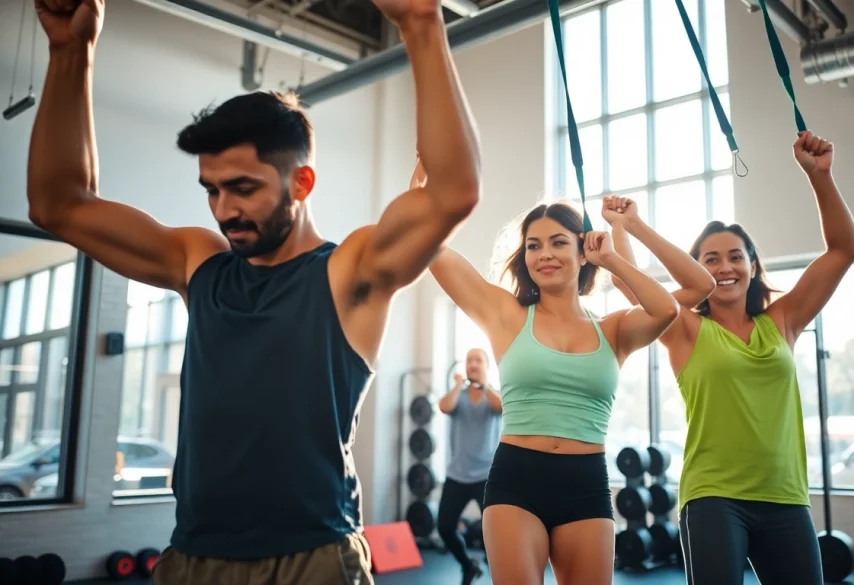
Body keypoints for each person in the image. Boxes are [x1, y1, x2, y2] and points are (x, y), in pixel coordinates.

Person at [28, 0, 481, 583]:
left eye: (242, 188)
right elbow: (59, 204)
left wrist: (420, 22)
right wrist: (70, 52)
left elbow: (453, 193)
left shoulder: (349, 273)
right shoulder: (200, 263)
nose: (224, 210)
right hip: (193, 556)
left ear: (302, 181)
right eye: (212, 190)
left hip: (312, 558)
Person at [611, 131, 854, 585]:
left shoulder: (783, 321)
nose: (723, 268)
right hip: (713, 496)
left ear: (752, 265)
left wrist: (820, 176)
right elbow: (634, 292)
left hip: (785, 495)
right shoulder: (685, 328)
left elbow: (844, 250)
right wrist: (625, 228)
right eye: (709, 260)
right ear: (696, 270)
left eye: (734, 257)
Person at [420, 175, 682, 584]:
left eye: (559, 242)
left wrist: (612, 259)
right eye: (533, 245)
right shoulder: (507, 315)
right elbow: (431, 249)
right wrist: (423, 191)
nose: (545, 254)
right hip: (516, 481)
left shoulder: (612, 330)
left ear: (583, 249)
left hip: (586, 485)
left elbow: (666, 310)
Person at [436, 348, 502, 585]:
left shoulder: (493, 394)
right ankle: (468, 565)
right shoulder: (458, 396)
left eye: (478, 360)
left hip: (487, 477)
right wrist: (457, 385)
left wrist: (484, 386)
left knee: (495, 534)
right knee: (444, 527)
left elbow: (501, 407)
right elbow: (444, 406)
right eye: (469, 360)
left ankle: (499, 576)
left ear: (486, 366)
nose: (473, 364)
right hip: (457, 475)